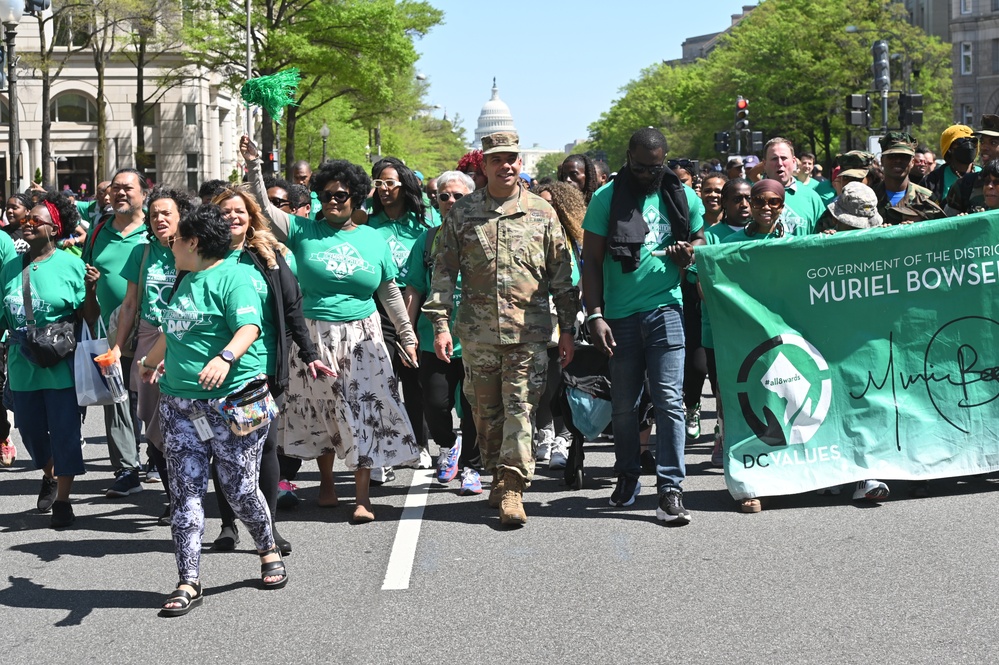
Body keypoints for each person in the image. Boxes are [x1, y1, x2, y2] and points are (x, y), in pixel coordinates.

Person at [241, 135, 421, 523]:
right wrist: (254, 164)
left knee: (364, 413)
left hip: (364, 336)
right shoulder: (303, 231)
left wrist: (407, 336)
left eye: (341, 194)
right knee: (322, 410)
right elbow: (263, 206)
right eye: (325, 195)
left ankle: (361, 498)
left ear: (355, 195)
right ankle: (325, 483)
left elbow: (389, 291)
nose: (333, 201)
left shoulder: (373, 239)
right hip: (314, 335)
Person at [424, 131, 579, 527]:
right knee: (485, 413)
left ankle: (513, 486)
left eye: (512, 158)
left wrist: (567, 329)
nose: (505, 165)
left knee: (520, 410)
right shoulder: (463, 213)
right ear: (485, 165)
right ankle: (497, 471)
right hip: (478, 336)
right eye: (497, 159)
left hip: (529, 334)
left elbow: (562, 275)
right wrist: (441, 325)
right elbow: (444, 272)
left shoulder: (542, 212)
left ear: (520, 163)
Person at [139, 203, 286, 617]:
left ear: (194, 242)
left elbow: (249, 328)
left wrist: (224, 357)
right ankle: (189, 580)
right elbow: (174, 329)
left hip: (233, 403)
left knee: (239, 490)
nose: (169, 244)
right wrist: (150, 362)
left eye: (175, 239)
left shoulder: (235, 277)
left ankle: (267, 546)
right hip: (180, 405)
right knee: (185, 494)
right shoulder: (183, 280)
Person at [581, 127, 704, 525]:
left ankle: (670, 489)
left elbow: (702, 238)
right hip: (619, 315)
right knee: (624, 404)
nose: (649, 174)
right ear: (627, 157)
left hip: (667, 308)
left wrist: (690, 251)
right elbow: (592, 262)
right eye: (640, 166)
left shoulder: (681, 195)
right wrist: (595, 315)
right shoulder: (606, 198)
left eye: (656, 166)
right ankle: (628, 476)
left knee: (669, 400)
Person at [207, 186, 331, 553]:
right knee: (221, 447)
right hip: (214, 367)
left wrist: (309, 354)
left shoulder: (270, 256)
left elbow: (292, 307)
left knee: (266, 447)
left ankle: (268, 527)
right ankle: (228, 524)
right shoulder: (202, 256)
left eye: (240, 211)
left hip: (262, 367)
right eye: (225, 211)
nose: (233, 216)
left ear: (251, 216)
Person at [1, 192, 94, 526]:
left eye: (35, 220)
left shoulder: (72, 264)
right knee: (30, 431)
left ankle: (64, 501)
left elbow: (90, 317)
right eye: (25, 220)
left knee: (65, 430)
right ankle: (51, 471)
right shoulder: (11, 265)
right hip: (22, 360)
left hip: (61, 363)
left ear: (54, 228)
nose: (27, 224)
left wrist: (92, 290)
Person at [112, 188, 192, 524]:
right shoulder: (141, 254)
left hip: (185, 343)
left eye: (166, 213)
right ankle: (174, 494)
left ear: (180, 217)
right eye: (154, 213)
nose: (160, 219)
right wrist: (116, 347)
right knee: (150, 419)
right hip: (147, 340)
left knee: (184, 419)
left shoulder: (193, 249)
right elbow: (130, 304)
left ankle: (186, 495)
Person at [403, 171, 481, 494]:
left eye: (458, 196)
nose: (450, 202)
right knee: (435, 403)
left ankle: (472, 468)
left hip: (478, 339)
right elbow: (413, 288)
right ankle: (447, 447)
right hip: (432, 339)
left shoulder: (484, 236)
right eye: (444, 196)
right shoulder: (426, 240)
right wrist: (406, 334)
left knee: (475, 406)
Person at [82, 168, 147, 499]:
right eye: (116, 189)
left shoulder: (158, 228)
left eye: (128, 188)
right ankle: (127, 468)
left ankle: (159, 457)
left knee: (154, 397)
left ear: (143, 194)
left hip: (154, 331)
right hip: (111, 331)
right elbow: (86, 279)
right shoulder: (97, 233)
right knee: (118, 398)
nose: (120, 194)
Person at [368, 157, 435, 466]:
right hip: (377, 310)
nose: (384, 190)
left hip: (417, 308)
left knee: (415, 380)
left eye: (390, 184)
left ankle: (420, 444)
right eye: (378, 184)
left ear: (405, 186)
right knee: (382, 381)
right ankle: (385, 448)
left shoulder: (426, 223)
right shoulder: (367, 223)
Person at [689, 177, 752, 466]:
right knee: (723, 388)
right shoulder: (710, 237)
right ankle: (723, 435)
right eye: (737, 199)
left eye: (749, 198)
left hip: (755, 329)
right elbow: (702, 284)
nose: (745, 204)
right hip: (717, 330)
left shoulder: (764, 234)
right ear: (724, 203)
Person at [535, 181, 586, 469]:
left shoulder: (576, 240)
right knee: (539, 381)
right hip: (534, 317)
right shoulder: (530, 234)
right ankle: (544, 433)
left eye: (551, 204)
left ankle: (562, 437)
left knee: (560, 379)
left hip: (566, 317)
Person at [872, 132, 944, 225]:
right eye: (892, 156)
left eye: (904, 157)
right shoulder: (868, 196)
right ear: (882, 160)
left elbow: (940, 231)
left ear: (912, 162)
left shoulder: (926, 198)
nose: (898, 160)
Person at [761, 138, 825, 234]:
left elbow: (824, 237)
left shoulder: (812, 198)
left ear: (794, 161)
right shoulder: (753, 197)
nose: (779, 163)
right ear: (765, 164)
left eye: (784, 158)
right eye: (774, 158)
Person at [944, 115, 999, 215]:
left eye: (993, 143)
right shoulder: (964, 186)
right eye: (982, 142)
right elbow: (946, 226)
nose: (984, 147)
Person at [922, 124, 978, 204]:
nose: (968, 146)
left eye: (973, 141)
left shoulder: (986, 175)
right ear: (949, 148)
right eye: (961, 141)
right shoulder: (932, 181)